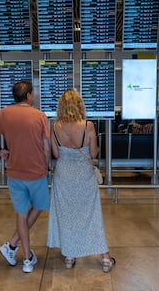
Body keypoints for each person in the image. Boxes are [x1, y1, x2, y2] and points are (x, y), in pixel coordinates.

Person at [0, 80, 50, 273]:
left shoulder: (4, 114)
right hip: (37, 172)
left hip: (15, 172)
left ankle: (23, 256)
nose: (35, 96)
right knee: (40, 206)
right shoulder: (40, 116)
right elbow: (46, 146)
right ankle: (12, 246)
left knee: (21, 213)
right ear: (28, 96)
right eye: (33, 93)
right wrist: (48, 166)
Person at [47, 89, 115, 272]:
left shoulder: (55, 126)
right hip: (84, 176)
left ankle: (69, 256)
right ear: (79, 105)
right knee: (92, 215)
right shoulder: (89, 126)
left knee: (68, 216)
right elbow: (93, 154)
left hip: (63, 176)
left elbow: (55, 154)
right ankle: (105, 258)